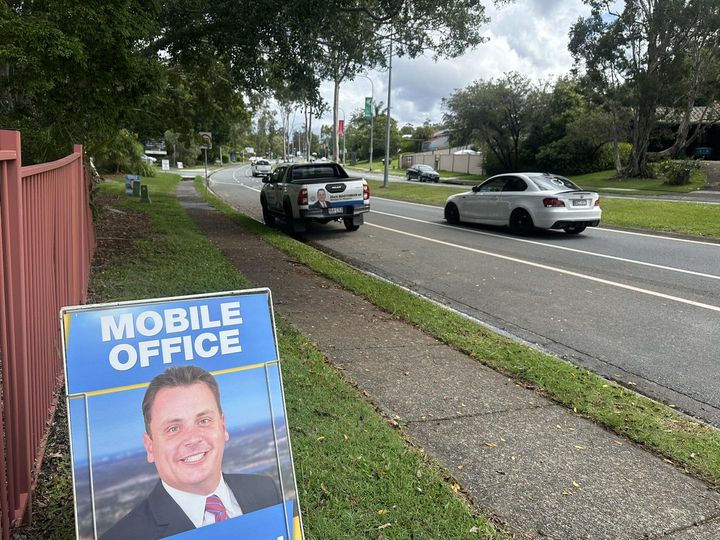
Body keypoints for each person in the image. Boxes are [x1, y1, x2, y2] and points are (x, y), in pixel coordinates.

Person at [101, 366, 282, 540]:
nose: (192, 438)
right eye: (173, 429)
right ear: (150, 447)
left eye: (203, 420)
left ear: (223, 426)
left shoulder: (266, 490)